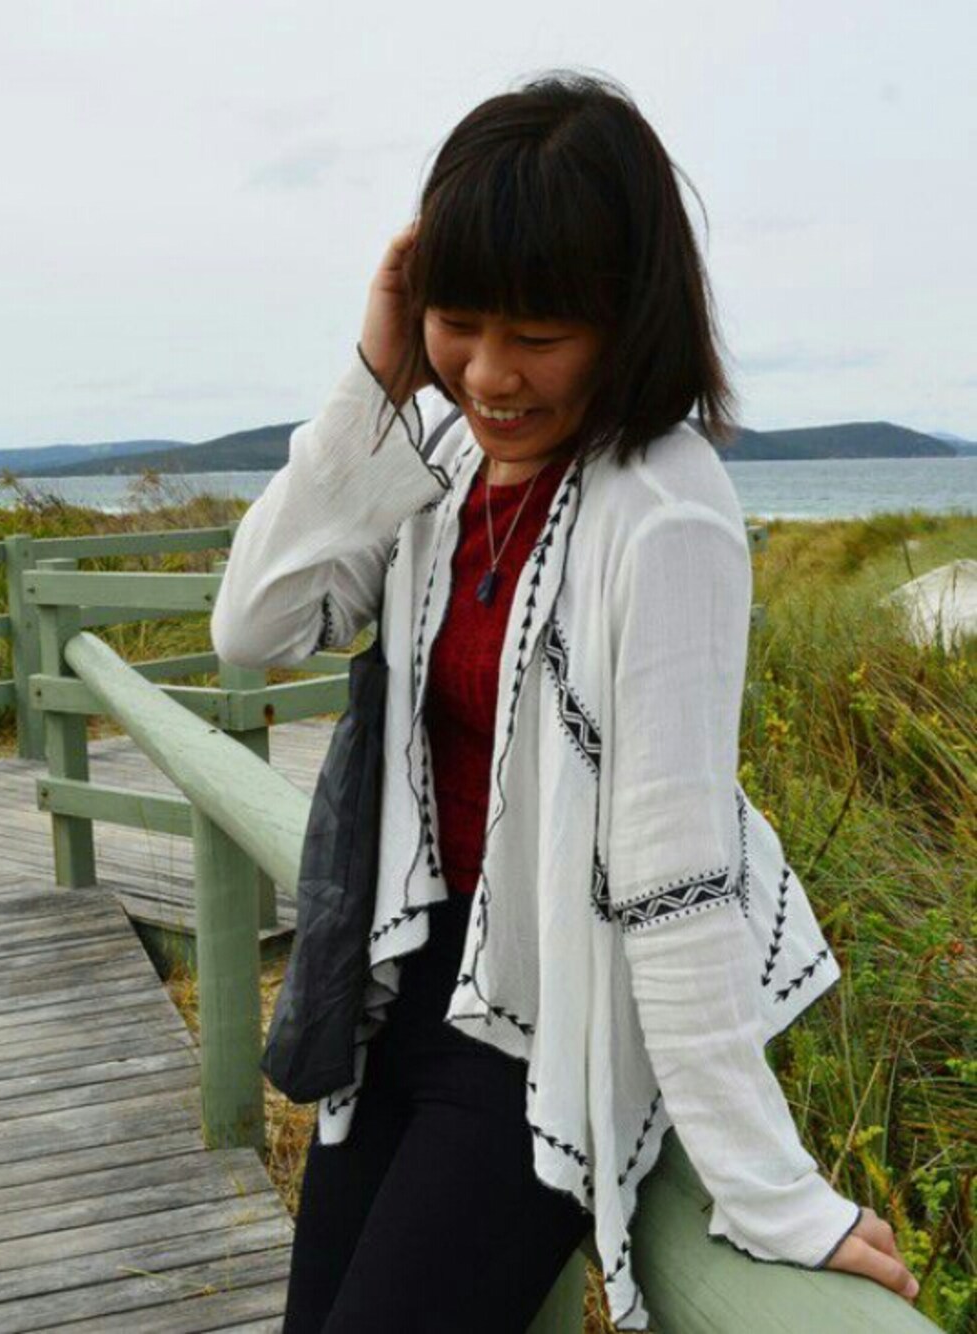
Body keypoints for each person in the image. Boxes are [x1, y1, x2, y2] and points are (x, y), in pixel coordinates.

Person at [211, 70, 920, 1333]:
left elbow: (672, 873)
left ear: (627, 315)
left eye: (537, 334)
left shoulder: (664, 509)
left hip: (538, 1037)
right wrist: (377, 377)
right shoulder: (439, 457)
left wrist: (770, 1186)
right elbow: (253, 624)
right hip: (399, 986)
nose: (489, 374)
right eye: (457, 322)